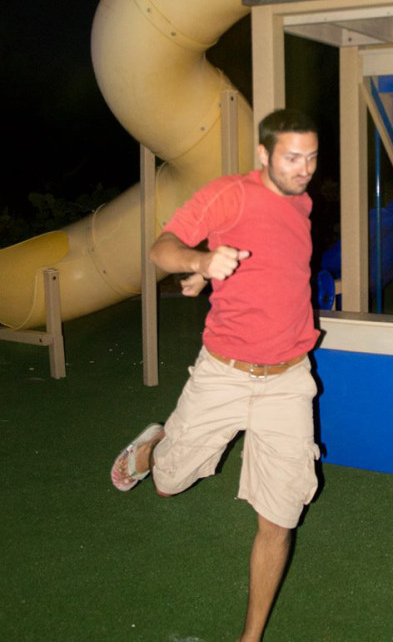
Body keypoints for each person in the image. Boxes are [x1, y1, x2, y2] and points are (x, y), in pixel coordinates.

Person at [110, 109, 320, 642]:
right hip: (223, 373)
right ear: (264, 154)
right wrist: (200, 265)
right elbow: (163, 248)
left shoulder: (303, 204)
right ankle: (151, 448)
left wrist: (217, 277)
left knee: (280, 517)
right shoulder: (228, 193)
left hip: (289, 378)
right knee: (167, 484)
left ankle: (249, 639)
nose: (304, 168)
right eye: (292, 157)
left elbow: (272, 265)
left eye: (312, 157)